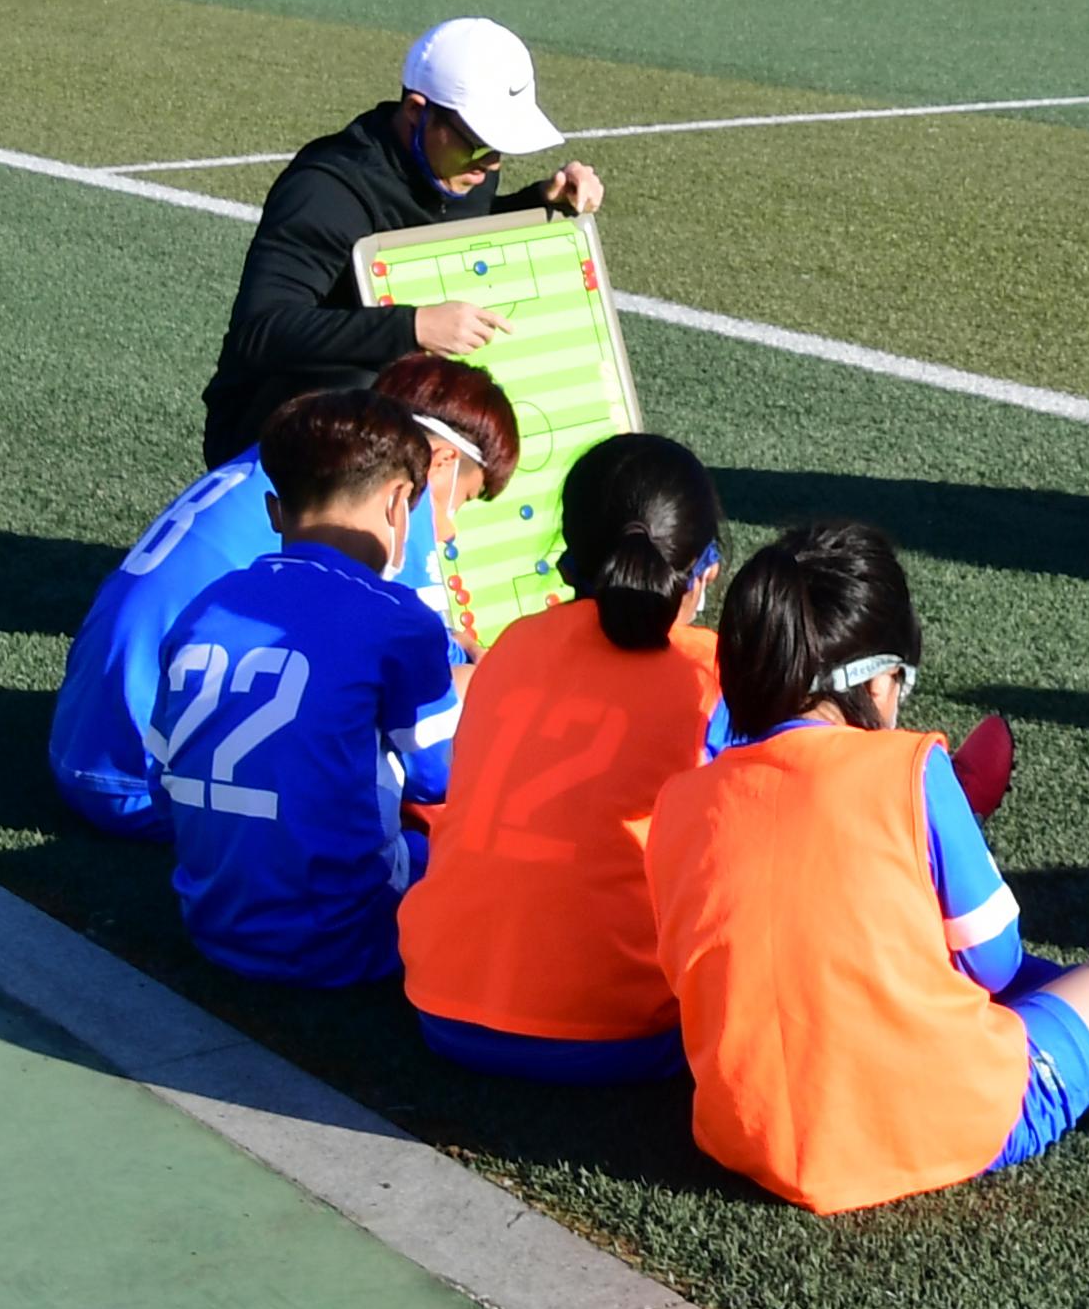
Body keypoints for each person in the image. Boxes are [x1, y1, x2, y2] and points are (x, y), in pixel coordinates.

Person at [646, 520, 1089, 1213]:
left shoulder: (680, 801)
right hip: (950, 1117)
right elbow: (996, 965)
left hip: (743, 1135)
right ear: (883, 680)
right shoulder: (911, 766)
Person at [53, 353, 512, 837]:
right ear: (441, 461)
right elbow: (425, 676)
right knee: (460, 688)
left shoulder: (296, 458)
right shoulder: (398, 493)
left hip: (94, 747)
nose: (451, 529)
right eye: (462, 500)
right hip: (155, 786)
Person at [398, 435, 731, 1083]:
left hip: (440, 1007)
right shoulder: (714, 673)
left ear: (570, 554)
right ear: (706, 569)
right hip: (622, 1033)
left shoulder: (516, 646)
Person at [145, 391, 463, 986]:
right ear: (400, 505)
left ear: (273, 511)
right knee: (487, 855)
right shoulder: (396, 618)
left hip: (210, 920)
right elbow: (440, 778)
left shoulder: (206, 605)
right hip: (346, 939)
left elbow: (161, 788)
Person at [199, 19, 604, 466]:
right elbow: (262, 329)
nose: (490, 164)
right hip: (268, 428)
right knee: (371, 381)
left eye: (500, 148)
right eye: (478, 142)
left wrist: (543, 203)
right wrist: (411, 328)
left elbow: (449, 238)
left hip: (381, 408)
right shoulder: (326, 190)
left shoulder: (464, 166)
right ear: (416, 111)